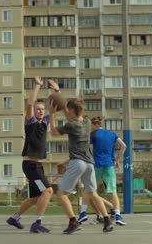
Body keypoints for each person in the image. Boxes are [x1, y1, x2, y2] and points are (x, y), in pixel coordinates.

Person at [49, 89, 114, 234]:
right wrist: (59, 92)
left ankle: (73, 222)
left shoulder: (71, 126)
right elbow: (71, 115)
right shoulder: (87, 122)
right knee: (92, 193)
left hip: (77, 162)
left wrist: (52, 114)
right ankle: (107, 221)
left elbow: (53, 132)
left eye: (69, 110)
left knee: (61, 194)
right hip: (90, 163)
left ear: (72, 110)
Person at [6, 76, 54, 233]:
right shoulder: (30, 122)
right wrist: (38, 86)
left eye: (42, 109)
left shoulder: (45, 122)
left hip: (35, 164)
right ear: (34, 112)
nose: (40, 111)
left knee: (35, 198)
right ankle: (36, 223)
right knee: (48, 191)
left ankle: (15, 218)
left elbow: (56, 108)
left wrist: (57, 91)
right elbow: (29, 103)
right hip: (31, 165)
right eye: (38, 109)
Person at [78, 117, 127, 225]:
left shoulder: (93, 135)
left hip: (96, 165)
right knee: (112, 191)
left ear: (95, 125)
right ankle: (118, 216)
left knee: (88, 189)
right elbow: (124, 146)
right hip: (109, 165)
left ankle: (83, 213)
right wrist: (117, 160)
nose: (89, 128)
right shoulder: (112, 134)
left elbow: (90, 149)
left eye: (90, 126)